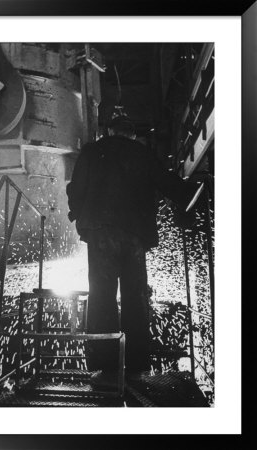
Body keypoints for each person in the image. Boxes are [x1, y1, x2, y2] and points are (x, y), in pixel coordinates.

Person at [66, 115, 199, 385]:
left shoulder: (92, 151)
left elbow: (76, 187)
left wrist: (77, 213)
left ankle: (104, 361)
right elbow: (165, 181)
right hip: (134, 234)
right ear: (132, 133)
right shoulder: (141, 152)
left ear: (109, 130)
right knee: (134, 295)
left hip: (101, 231)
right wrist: (189, 196)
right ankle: (136, 359)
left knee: (101, 294)